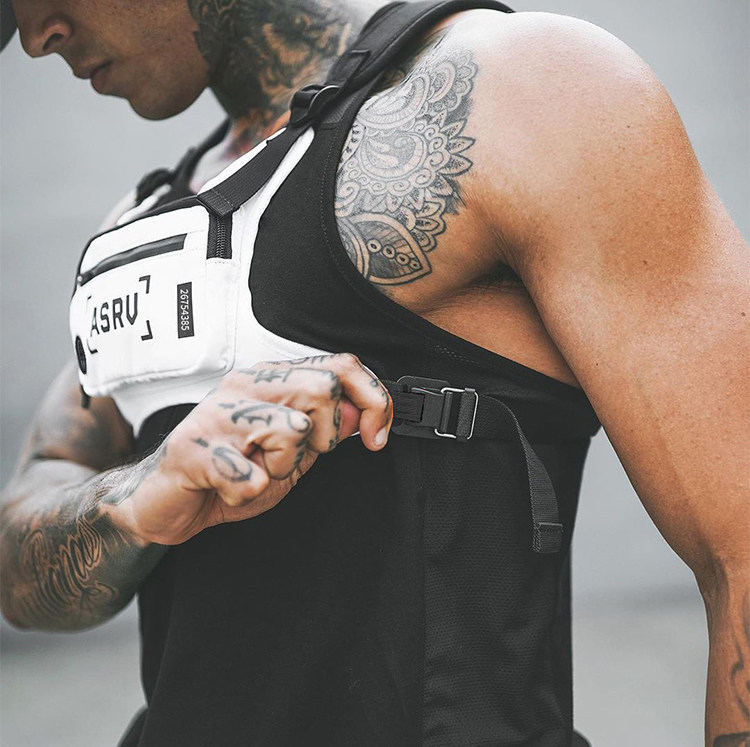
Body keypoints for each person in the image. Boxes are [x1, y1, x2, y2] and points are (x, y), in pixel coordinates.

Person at [1, 0, 748, 745]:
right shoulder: (141, 229)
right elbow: (18, 562)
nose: (35, 39)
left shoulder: (520, 89)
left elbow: (739, 550)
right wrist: (139, 495)